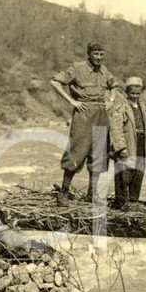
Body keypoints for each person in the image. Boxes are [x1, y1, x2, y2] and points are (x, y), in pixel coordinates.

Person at [49, 41, 120, 206]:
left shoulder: (104, 70)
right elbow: (55, 81)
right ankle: (63, 193)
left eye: (101, 54)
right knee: (77, 151)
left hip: (101, 113)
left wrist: (111, 99)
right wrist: (71, 101)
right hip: (84, 113)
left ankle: (92, 194)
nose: (99, 58)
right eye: (95, 54)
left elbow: (115, 85)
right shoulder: (77, 68)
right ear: (88, 54)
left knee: (99, 154)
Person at [107, 77, 146, 210]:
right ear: (127, 92)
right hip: (128, 141)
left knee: (138, 170)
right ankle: (121, 200)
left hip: (141, 141)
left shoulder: (143, 106)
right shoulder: (121, 106)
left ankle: (133, 199)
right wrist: (121, 147)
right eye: (132, 93)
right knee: (123, 171)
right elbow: (116, 127)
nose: (135, 96)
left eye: (138, 93)